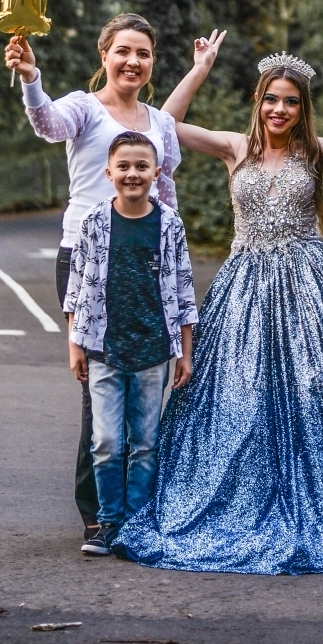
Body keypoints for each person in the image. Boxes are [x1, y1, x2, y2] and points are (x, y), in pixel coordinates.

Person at [116, 38, 323, 574]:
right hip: (245, 286)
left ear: (302, 108)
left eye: (291, 101)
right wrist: (200, 67)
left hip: (312, 288)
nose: (280, 109)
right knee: (240, 400)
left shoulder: (313, 150)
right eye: (272, 99)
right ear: (259, 102)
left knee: (320, 396)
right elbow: (167, 121)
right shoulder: (234, 148)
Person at [5, 12, 186, 551]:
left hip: (145, 261)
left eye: (144, 53)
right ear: (104, 55)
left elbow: (166, 191)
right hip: (87, 258)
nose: (133, 61)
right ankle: (99, 515)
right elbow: (46, 123)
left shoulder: (161, 123)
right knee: (100, 391)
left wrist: (169, 246)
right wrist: (31, 77)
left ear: (153, 63)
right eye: (123, 51)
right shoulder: (84, 108)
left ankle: (141, 511)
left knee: (146, 390)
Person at [63, 131, 198, 555]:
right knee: (105, 442)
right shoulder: (95, 222)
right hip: (103, 347)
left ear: (157, 173)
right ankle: (107, 522)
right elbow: (76, 286)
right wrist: (75, 343)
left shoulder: (169, 224)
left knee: (144, 442)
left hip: (154, 350)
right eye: (124, 166)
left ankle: (138, 526)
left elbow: (183, 290)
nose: (133, 174)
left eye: (142, 167)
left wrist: (185, 352)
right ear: (109, 172)